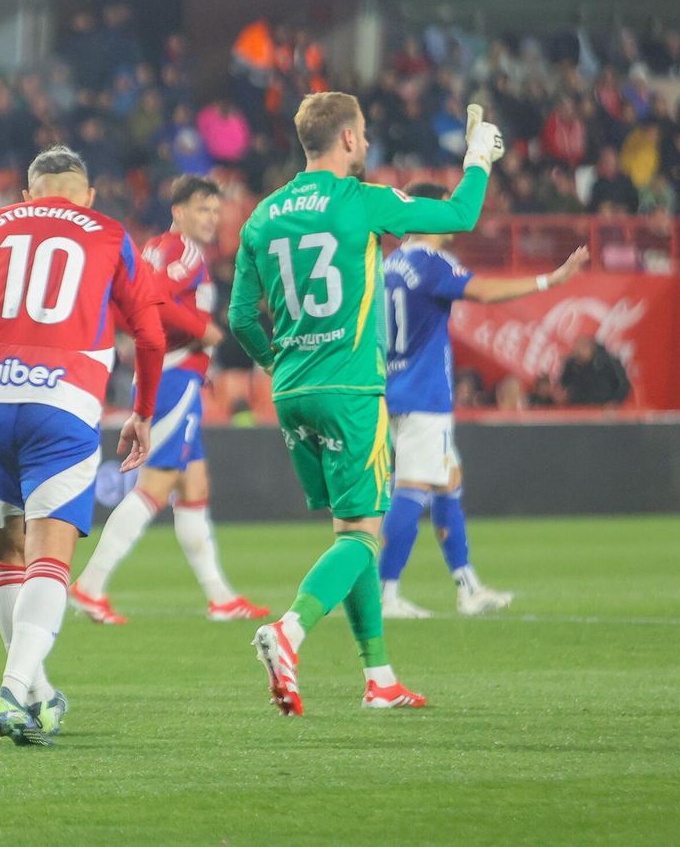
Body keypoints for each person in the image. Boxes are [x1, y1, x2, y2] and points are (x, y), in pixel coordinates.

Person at [229, 92, 503, 716]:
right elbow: (459, 214)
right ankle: (290, 632)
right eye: (365, 134)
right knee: (362, 538)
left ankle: (379, 677)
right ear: (349, 139)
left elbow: (240, 316)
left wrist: (276, 362)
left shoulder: (262, 216)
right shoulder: (360, 200)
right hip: (351, 389)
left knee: (351, 532)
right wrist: (479, 158)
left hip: (291, 391)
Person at [0, 146, 165, 746]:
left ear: (28, 197)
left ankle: (36, 690)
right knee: (50, 553)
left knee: (9, 548)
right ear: (87, 196)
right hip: (63, 397)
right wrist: (142, 412)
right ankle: (12, 691)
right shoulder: (110, 232)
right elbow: (152, 333)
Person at [377, 185, 590, 620]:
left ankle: (467, 586)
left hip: (393, 388)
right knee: (412, 488)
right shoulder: (431, 262)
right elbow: (484, 292)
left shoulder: (388, 264)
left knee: (448, 479)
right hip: (423, 394)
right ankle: (386, 594)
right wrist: (551, 279)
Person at [70, 175, 270, 624]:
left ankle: (220, 597)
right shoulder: (184, 252)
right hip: (173, 379)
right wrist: (203, 330)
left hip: (178, 378)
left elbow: (132, 301)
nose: (211, 218)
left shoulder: (158, 249)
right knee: (156, 486)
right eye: (202, 209)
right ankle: (89, 585)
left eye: (216, 211)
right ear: (178, 211)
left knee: (194, 488)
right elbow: (149, 300)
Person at [559, 336, 630, 406]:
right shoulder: (571, 364)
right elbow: (563, 385)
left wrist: (615, 401)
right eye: (577, 348)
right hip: (578, 409)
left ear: (592, 348)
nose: (579, 352)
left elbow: (623, 384)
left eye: (584, 347)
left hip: (604, 409)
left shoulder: (608, 362)